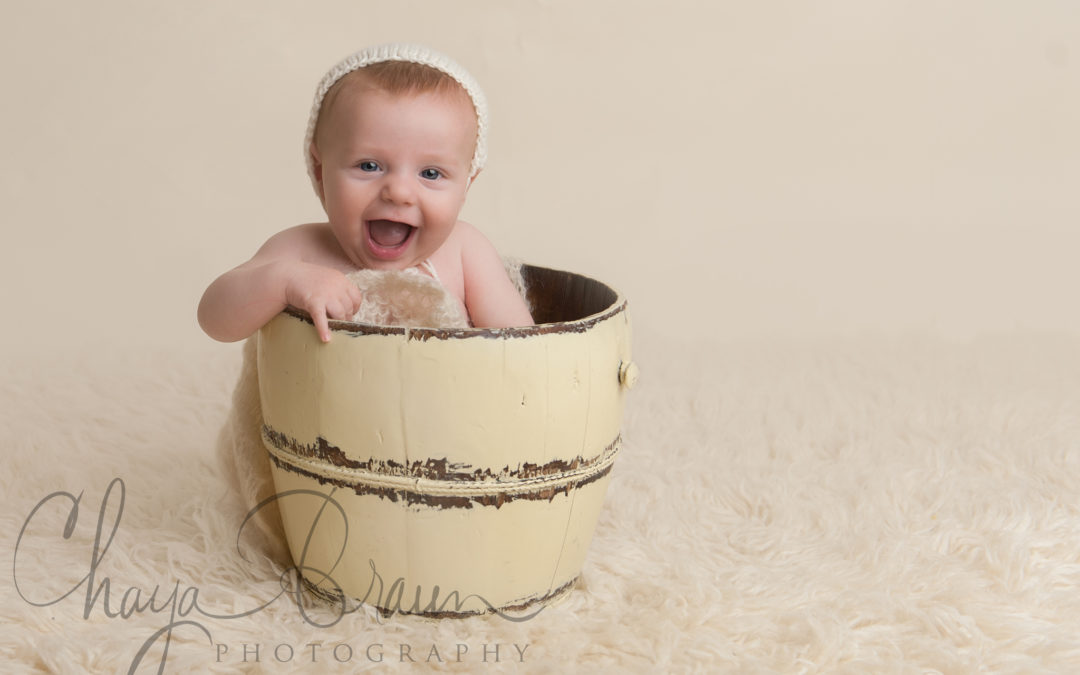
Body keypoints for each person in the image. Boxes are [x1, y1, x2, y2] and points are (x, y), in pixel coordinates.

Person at [198, 43, 533, 343]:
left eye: (430, 173)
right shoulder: (298, 252)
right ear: (320, 170)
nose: (398, 192)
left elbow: (525, 347)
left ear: (466, 186)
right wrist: (284, 280)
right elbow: (215, 320)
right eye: (369, 166)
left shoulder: (465, 252)